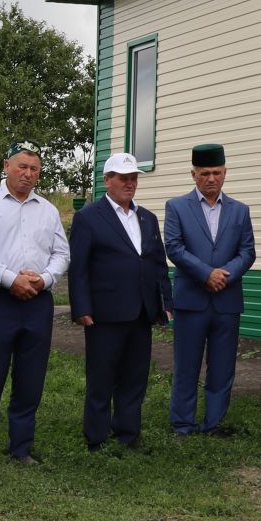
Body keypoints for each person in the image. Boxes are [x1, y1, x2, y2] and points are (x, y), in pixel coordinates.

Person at [0, 142, 69, 465]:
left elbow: (62, 253)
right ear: (6, 165)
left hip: (38, 301)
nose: (28, 174)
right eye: (22, 166)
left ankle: (21, 447)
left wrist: (45, 279)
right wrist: (12, 279)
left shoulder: (48, 210)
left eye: (34, 169)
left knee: (30, 377)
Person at [69, 152, 172, 452]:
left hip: (141, 312)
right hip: (104, 313)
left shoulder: (147, 218)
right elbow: (79, 268)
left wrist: (164, 302)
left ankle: (128, 433)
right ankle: (96, 438)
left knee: (135, 376)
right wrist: (82, 308)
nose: (129, 184)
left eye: (133, 178)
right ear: (107, 180)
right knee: (101, 377)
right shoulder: (88, 217)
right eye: (123, 178)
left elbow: (157, 264)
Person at [162, 142, 257, 436]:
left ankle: (214, 422)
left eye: (216, 172)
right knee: (186, 366)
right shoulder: (176, 207)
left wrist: (225, 276)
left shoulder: (240, 211)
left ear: (225, 173)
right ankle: (183, 423)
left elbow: (248, 251)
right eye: (204, 173)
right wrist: (206, 274)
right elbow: (174, 248)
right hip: (192, 300)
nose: (211, 179)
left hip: (226, 300)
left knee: (222, 367)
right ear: (193, 175)